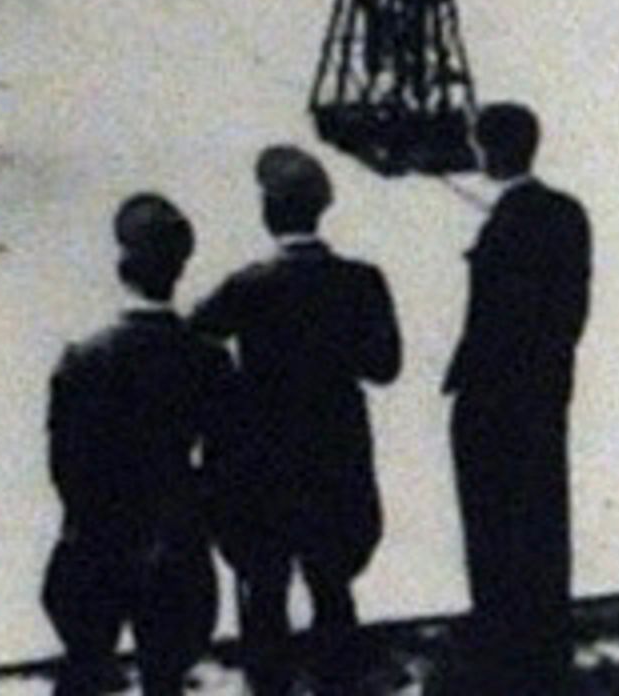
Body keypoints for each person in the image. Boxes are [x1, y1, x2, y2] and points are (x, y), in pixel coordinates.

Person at [191, 145, 402, 692]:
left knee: (265, 596)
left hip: (264, 462)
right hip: (336, 455)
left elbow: (196, 334)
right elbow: (384, 367)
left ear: (268, 214)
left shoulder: (249, 285)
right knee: (333, 589)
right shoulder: (361, 280)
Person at [43, 194, 238, 696]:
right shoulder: (208, 358)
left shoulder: (84, 357)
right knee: (166, 680)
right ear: (179, 271)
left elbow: (65, 466)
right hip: (176, 541)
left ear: (121, 266)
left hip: (97, 539)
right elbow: (224, 464)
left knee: (85, 671)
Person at [441, 101, 591, 694]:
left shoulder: (508, 221)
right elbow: (569, 313)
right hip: (544, 397)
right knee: (544, 523)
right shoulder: (565, 213)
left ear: (492, 150)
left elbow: (492, 323)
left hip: (494, 403)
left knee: (493, 529)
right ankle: (542, 644)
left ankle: (502, 648)